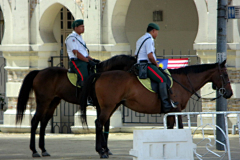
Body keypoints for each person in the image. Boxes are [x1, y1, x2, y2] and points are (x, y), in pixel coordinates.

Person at [134, 22, 173, 113]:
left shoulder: (140, 39)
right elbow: (150, 56)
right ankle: (165, 104)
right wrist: (156, 64)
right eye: (157, 32)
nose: (157, 34)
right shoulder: (149, 39)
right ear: (153, 31)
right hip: (147, 65)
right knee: (162, 78)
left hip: (139, 64)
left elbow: (136, 54)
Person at [65, 19, 96, 86]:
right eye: (81, 26)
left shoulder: (80, 37)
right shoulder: (72, 38)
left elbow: (84, 53)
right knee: (85, 77)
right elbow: (75, 53)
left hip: (84, 60)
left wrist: (92, 60)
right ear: (76, 28)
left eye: (83, 26)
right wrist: (88, 61)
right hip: (77, 62)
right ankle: (83, 95)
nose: (83, 28)